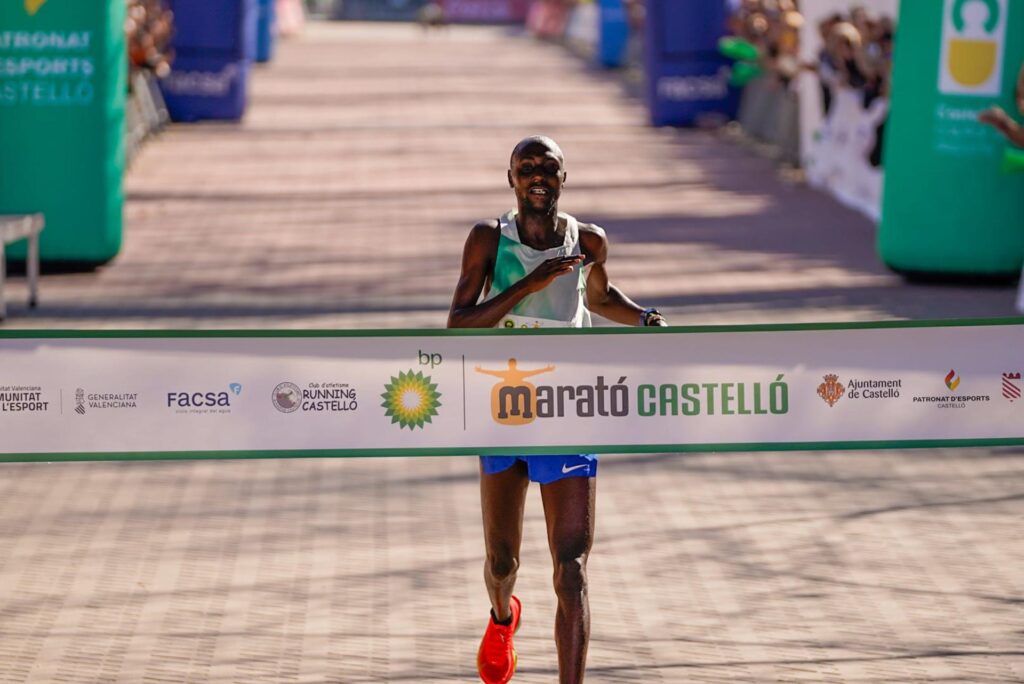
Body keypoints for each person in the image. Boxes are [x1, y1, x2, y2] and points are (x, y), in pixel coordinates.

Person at [447, 136, 667, 684]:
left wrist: (646, 319)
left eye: (549, 168)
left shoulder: (587, 240)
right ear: (512, 179)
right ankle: (502, 618)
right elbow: (458, 326)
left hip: (569, 410)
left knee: (571, 571)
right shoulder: (486, 241)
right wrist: (529, 284)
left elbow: (600, 299)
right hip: (502, 410)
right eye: (528, 168)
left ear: (563, 179)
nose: (538, 176)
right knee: (504, 563)